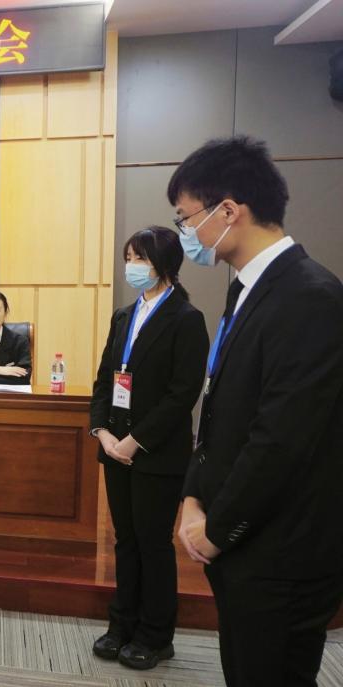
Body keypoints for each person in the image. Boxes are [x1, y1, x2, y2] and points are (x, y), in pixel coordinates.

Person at [170, 136, 343, 686]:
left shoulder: (309, 296)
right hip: (243, 544)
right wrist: (193, 497)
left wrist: (219, 528)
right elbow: (219, 406)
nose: (185, 233)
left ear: (228, 211)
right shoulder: (246, 289)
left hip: (280, 554)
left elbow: (282, 439)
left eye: (185, 218)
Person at [88, 227, 209, 669]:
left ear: (164, 263)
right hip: (114, 448)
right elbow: (105, 379)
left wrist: (135, 440)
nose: (131, 266)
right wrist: (102, 431)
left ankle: (155, 635)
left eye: (139, 258)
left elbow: (182, 394)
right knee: (125, 540)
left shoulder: (186, 318)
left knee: (153, 542)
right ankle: (121, 624)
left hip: (155, 452)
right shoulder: (124, 315)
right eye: (128, 258)